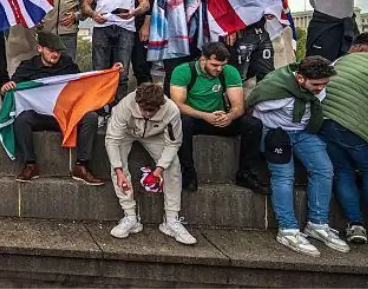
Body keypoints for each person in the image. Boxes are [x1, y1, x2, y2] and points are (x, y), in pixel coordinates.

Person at [246, 56, 348, 256]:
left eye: (324, 84)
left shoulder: (315, 88)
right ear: (300, 78)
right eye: (316, 85)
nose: (320, 88)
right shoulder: (274, 91)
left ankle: (318, 224)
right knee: (284, 176)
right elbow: (252, 108)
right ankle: (288, 229)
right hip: (276, 132)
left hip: (303, 132)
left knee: (324, 169)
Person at [319, 48, 368, 249]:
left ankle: (355, 226)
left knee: (342, 172)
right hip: (356, 127)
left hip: (326, 119)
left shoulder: (349, 58)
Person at [2, 31, 105, 185]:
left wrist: (110, 73)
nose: (55, 54)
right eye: (51, 50)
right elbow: (12, 89)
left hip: (64, 114)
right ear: (40, 49)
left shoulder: (68, 64)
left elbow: (83, 83)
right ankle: (30, 164)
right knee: (21, 120)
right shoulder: (27, 66)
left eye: (58, 51)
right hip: (39, 116)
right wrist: (6, 88)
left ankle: (82, 166)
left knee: (91, 117)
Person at [168, 42, 268, 194]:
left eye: (222, 65)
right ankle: (187, 173)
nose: (219, 69)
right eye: (214, 65)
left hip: (219, 118)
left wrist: (230, 116)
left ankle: (246, 173)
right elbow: (178, 105)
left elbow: (238, 106)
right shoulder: (182, 71)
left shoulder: (230, 71)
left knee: (253, 125)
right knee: (181, 121)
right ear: (203, 59)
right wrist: (204, 115)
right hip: (195, 118)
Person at [105, 83, 195, 245]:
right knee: (117, 162)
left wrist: (159, 169)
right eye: (144, 109)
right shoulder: (125, 105)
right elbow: (112, 139)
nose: (147, 114)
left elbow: (173, 143)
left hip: (155, 135)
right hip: (127, 132)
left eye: (151, 110)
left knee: (173, 165)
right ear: (137, 102)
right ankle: (130, 216)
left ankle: (171, 219)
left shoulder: (171, 110)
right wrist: (118, 171)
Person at [82, 0, 149, 105]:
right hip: (101, 27)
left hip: (126, 27)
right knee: (99, 71)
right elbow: (85, 5)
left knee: (122, 72)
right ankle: (100, 107)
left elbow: (145, 4)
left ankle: (118, 108)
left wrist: (133, 12)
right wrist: (94, 14)